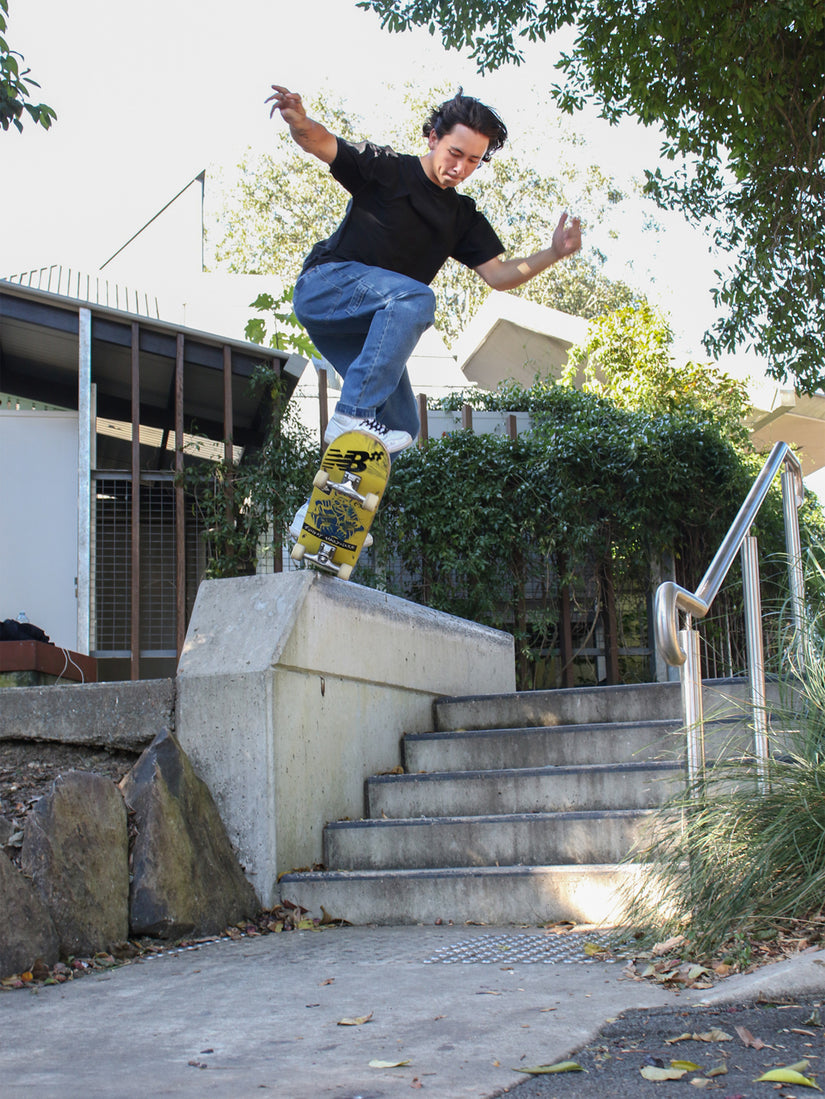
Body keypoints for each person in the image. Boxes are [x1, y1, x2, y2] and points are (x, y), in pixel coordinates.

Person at [267, 84, 582, 539]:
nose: (460, 168)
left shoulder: (461, 218)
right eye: (455, 153)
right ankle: (349, 416)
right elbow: (322, 143)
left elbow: (499, 275)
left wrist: (553, 252)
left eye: (473, 161)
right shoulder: (386, 170)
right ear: (433, 137)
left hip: (368, 330)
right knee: (416, 298)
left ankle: (325, 515)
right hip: (325, 289)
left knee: (401, 426)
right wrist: (298, 120)